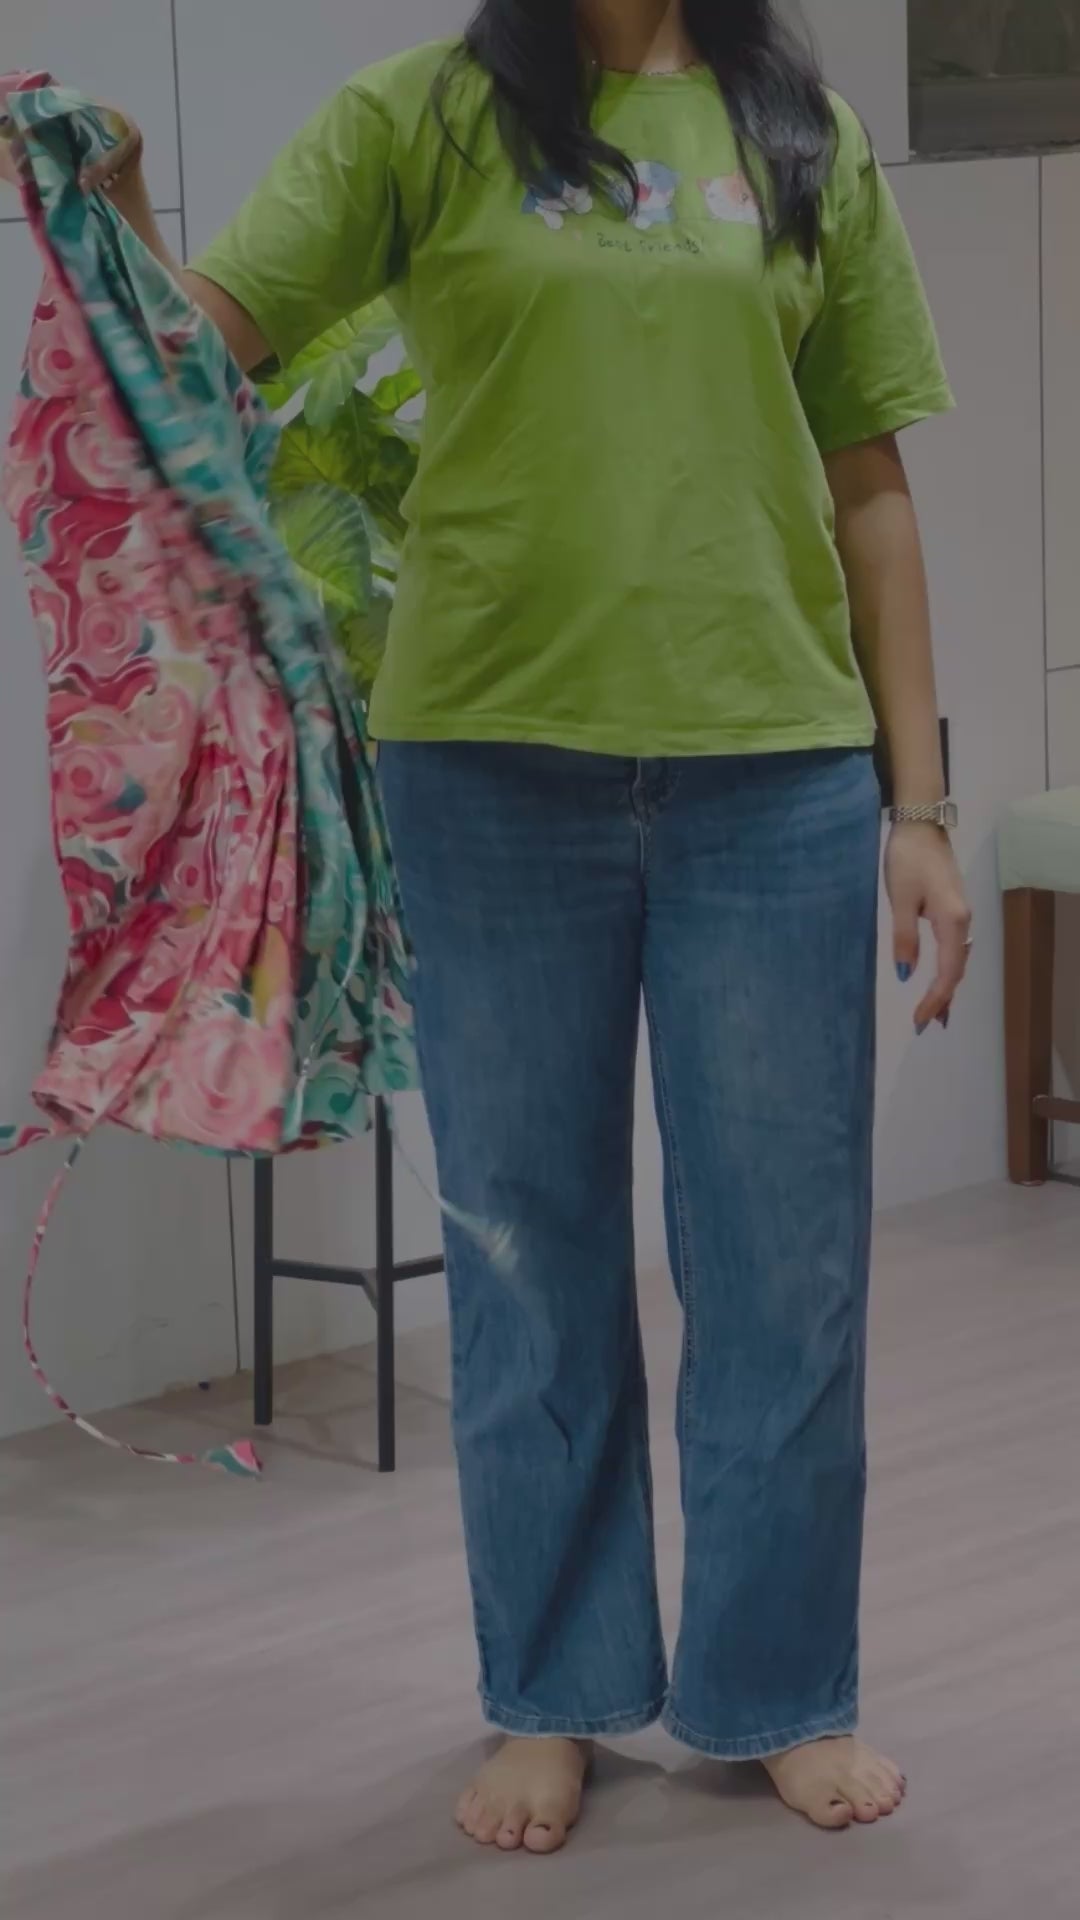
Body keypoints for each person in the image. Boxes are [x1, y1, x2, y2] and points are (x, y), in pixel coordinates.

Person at [5, 0, 973, 1858]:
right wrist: (112, 205)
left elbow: (872, 489)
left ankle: (781, 1687)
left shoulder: (803, 134)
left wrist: (917, 808)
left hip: (771, 774)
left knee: (784, 1272)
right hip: (490, 776)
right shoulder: (423, 118)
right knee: (530, 1261)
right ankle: (554, 1691)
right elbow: (195, 355)